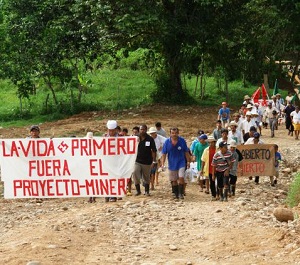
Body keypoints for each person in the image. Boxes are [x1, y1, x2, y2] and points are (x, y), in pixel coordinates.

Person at [161, 127, 191, 199]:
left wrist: (188, 161)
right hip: (172, 163)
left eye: (175, 133)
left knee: (181, 177)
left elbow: (186, 151)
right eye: (172, 133)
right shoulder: (167, 142)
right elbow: (164, 154)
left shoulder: (182, 141)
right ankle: (176, 193)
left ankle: (181, 193)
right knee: (174, 180)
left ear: (178, 133)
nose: (174, 135)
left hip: (181, 162)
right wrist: (162, 163)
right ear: (170, 134)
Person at [133, 124, 157, 196]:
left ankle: (147, 191)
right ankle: (138, 191)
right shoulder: (135, 138)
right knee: (135, 173)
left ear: (146, 130)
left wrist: (154, 161)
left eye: (143, 129)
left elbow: (153, 150)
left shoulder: (150, 139)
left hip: (147, 161)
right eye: (141, 129)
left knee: (146, 177)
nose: (142, 131)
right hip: (137, 160)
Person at [104, 120, 121, 202]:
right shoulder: (104, 138)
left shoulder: (121, 138)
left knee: (115, 178)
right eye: (109, 130)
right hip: (107, 162)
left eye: (112, 130)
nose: (111, 132)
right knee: (107, 178)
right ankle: (107, 194)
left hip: (117, 162)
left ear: (116, 129)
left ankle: (113, 195)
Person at [200, 135, 217, 199]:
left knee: (218, 182)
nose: (210, 143)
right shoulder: (206, 150)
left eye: (211, 142)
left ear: (214, 142)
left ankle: (218, 193)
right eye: (209, 142)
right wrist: (202, 170)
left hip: (218, 168)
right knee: (212, 182)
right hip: (209, 168)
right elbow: (203, 160)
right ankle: (213, 195)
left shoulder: (218, 149)